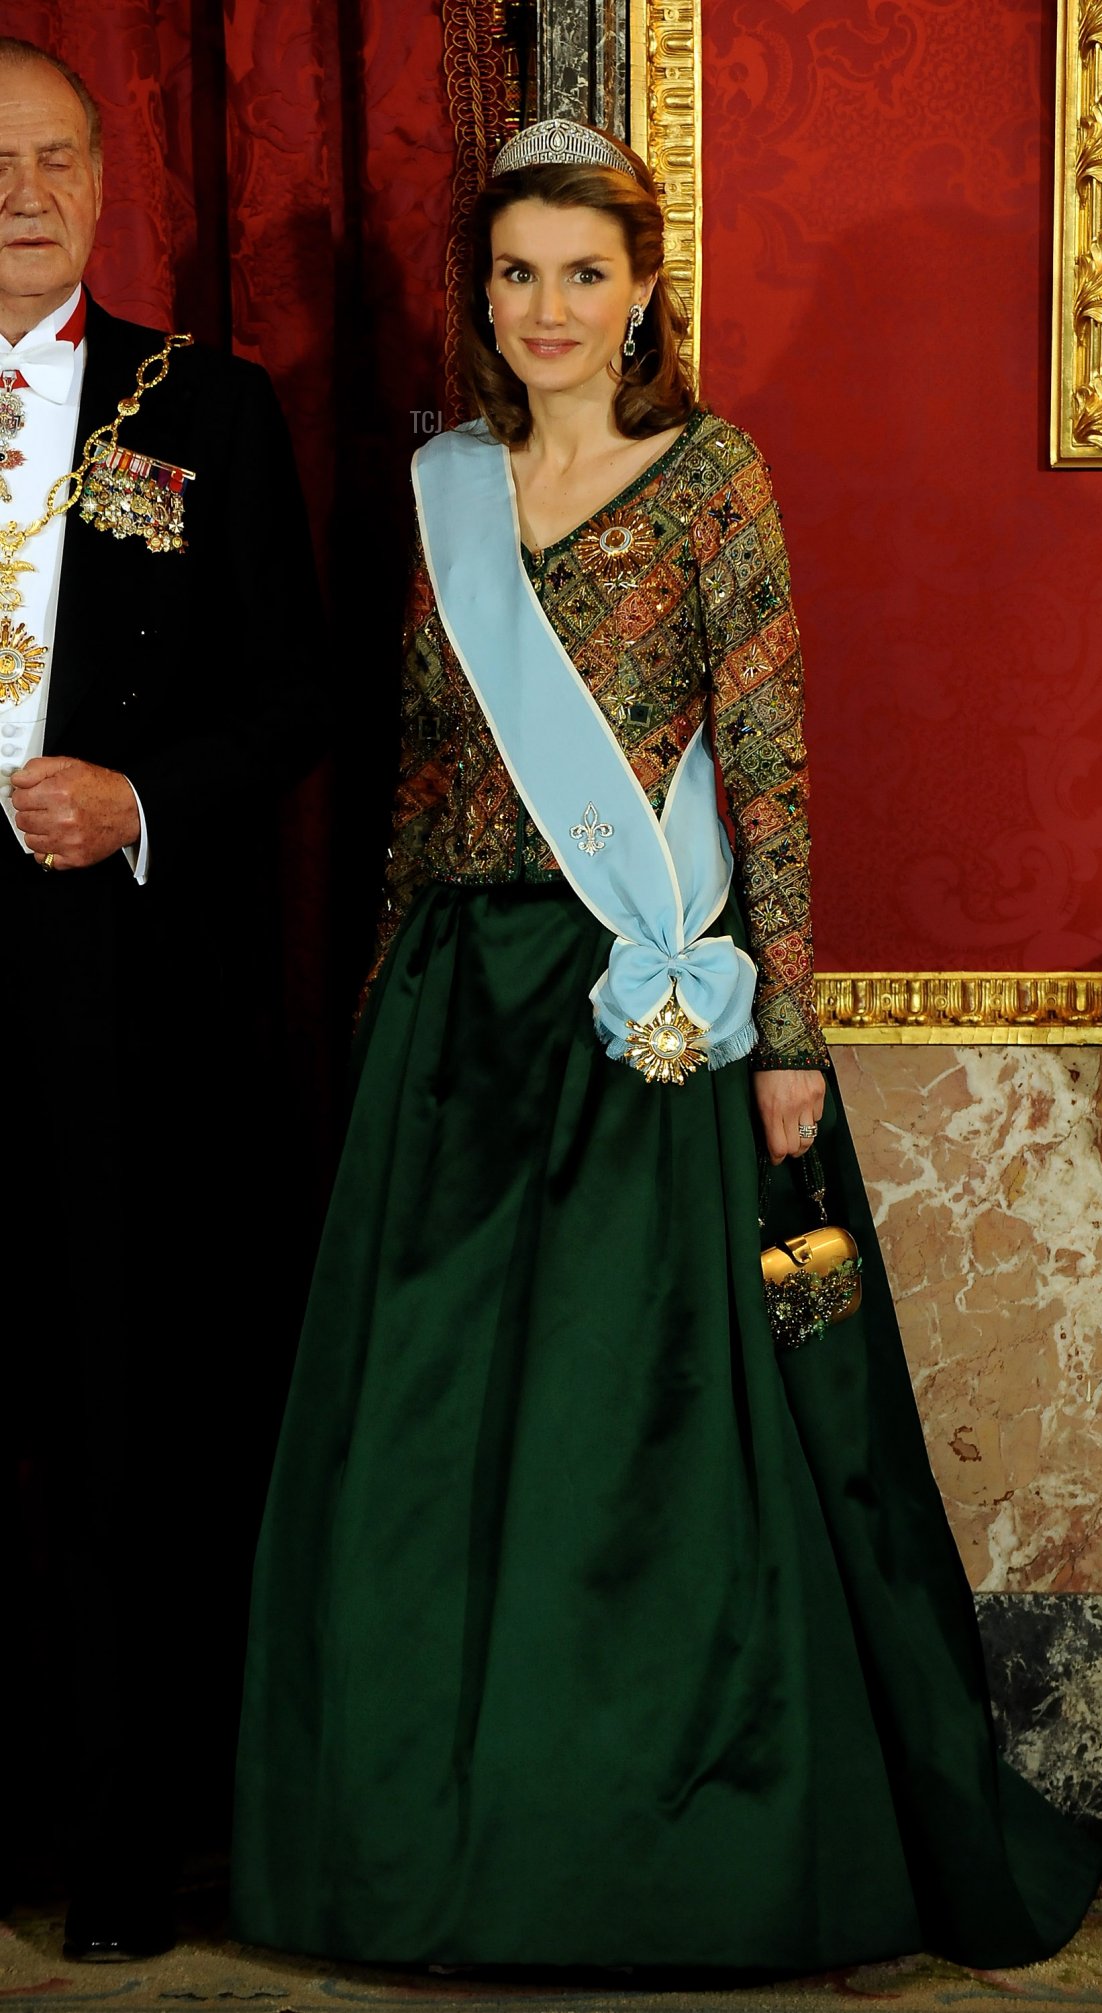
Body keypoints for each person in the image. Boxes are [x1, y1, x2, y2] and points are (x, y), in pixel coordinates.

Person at [231, 119, 1102, 1973]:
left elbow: (771, 768)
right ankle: (424, 1845)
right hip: (460, 1018)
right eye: (518, 273)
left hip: (651, 1012)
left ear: (643, 294)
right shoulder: (443, 484)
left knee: (640, 1440)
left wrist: (783, 1026)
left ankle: (657, 1846)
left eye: (585, 273)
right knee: (432, 1440)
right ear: (485, 295)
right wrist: (392, 989)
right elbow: (423, 778)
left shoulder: (714, 479)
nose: (549, 307)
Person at [0, 37, 324, 1961]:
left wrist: (138, 796)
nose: (21, 191)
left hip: (113, 974)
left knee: (123, 1406)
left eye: (53, 158)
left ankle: (129, 1838)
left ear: (109, 186)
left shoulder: (200, 403)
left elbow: (291, 698)